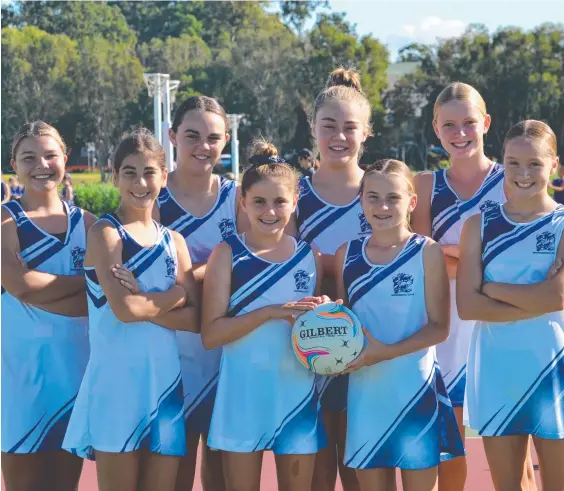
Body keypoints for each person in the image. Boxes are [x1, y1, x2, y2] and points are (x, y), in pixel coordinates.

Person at [411, 82, 537, 490]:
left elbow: (520, 262)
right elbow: (424, 259)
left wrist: (452, 254)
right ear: (436, 128)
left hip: (501, 324)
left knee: (512, 449)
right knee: (452, 451)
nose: (460, 132)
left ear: (486, 123)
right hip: (445, 328)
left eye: (469, 122)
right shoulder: (426, 186)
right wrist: (480, 260)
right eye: (449, 124)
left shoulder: (511, 179)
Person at [63, 128, 200, 491]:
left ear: (163, 176)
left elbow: (195, 319)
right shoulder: (106, 234)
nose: (140, 182)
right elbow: (125, 310)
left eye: (149, 172)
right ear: (114, 176)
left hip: (166, 383)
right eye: (130, 172)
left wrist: (148, 301)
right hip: (116, 384)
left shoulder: (175, 241)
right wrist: (174, 295)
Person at [202, 139, 328, 491]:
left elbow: (321, 325)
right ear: (242, 201)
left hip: (297, 390)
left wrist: (325, 314)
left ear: (295, 202)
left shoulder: (309, 256)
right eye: (259, 201)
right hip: (242, 393)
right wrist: (273, 311)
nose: (269, 211)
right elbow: (211, 335)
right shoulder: (227, 254)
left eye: (279, 202)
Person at [338, 159, 464, 491]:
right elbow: (341, 325)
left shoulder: (427, 251)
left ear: (411, 202)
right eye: (373, 196)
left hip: (415, 391)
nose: (382, 206)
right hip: (366, 393)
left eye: (393, 197)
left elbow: (439, 328)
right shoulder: (346, 254)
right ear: (361, 199)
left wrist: (386, 352)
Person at [458, 120, 564, 491]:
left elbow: (559, 296)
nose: (523, 173)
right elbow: (468, 306)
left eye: (534, 163)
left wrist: (491, 287)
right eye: (513, 162)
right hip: (497, 371)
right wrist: (538, 299)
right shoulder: (479, 226)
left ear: (554, 166)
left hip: (554, 370)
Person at [155, 95, 249, 491]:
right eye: (192, 135)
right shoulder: (153, 194)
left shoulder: (238, 196)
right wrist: (209, 273)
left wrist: (188, 278)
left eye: (213, 137)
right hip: (167, 348)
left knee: (219, 469)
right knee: (172, 467)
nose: (202, 146)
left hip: (222, 348)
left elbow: (249, 261)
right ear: (173, 136)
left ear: (226, 140)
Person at [288, 67, 372, 491]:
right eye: (329, 126)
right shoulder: (293, 194)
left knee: (359, 462)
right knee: (317, 462)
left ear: (366, 132)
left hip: (372, 342)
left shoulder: (382, 192)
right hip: (311, 343)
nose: (339, 136)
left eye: (350, 128)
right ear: (314, 129)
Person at [1, 121, 95, 491]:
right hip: (20, 374)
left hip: (74, 371)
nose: (41, 164)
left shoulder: (87, 223)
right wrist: (84, 283)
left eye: (50, 155)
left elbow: (98, 301)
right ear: (14, 164)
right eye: (29, 157)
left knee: (63, 485)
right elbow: (19, 285)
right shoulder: (6, 218)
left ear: (65, 158)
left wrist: (42, 290)